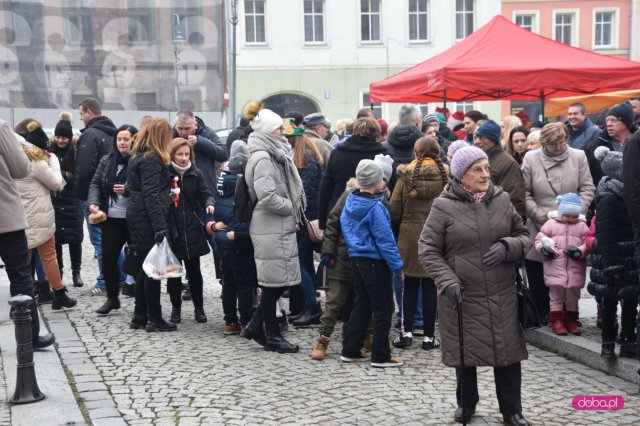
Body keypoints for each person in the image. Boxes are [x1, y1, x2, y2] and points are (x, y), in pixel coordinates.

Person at [418, 146, 531, 426]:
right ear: (460, 176)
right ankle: (466, 405)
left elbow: (524, 236)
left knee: (507, 354)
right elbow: (428, 249)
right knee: (465, 354)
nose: (484, 174)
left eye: (486, 168)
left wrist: (508, 247)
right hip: (463, 294)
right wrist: (447, 280)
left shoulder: (502, 199)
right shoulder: (443, 206)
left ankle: (512, 410)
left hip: (502, 291)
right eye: (477, 169)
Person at [240, 101, 303, 353]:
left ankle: (257, 326)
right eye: (278, 129)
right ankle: (272, 334)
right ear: (267, 132)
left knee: (278, 281)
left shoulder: (274, 154)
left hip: (275, 225)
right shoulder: (264, 157)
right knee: (273, 284)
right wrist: (291, 207)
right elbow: (267, 196)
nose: (283, 133)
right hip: (269, 224)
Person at [521, 122, 595, 323]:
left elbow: (588, 187)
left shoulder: (578, 156)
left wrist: (575, 213)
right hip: (540, 226)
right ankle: (541, 316)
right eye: (553, 144)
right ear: (544, 143)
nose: (558, 147)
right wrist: (537, 214)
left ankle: (566, 316)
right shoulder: (531, 158)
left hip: (571, 228)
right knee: (538, 279)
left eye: (561, 142)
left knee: (568, 279)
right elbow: (524, 192)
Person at [340, 159, 404, 368]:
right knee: (384, 307)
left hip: (356, 258)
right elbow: (385, 241)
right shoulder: (375, 208)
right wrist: (397, 266)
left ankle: (350, 349)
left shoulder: (350, 201)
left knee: (362, 304)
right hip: (375, 262)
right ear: (378, 182)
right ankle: (380, 355)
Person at [0, 119, 55, 349]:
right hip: (5, 217)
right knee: (20, 275)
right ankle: (30, 337)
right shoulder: (1, 127)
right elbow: (21, 169)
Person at [390, 136, 448, 351]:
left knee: (409, 286)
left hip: (409, 236)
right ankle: (429, 337)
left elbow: (394, 210)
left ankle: (405, 334)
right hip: (437, 236)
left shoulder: (405, 177)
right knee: (431, 286)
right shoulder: (445, 179)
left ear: (416, 153)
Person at [15, 120, 77, 312]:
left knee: (22, 261)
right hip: (39, 216)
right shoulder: (37, 162)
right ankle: (58, 294)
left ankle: (20, 298)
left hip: (21, 216)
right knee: (49, 256)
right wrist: (54, 161)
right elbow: (57, 183)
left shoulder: (16, 158)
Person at [126, 117, 176, 332]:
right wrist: (159, 227)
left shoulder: (138, 156)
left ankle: (140, 315)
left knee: (143, 269)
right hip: (147, 218)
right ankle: (154, 317)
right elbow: (151, 195)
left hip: (137, 215)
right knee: (152, 270)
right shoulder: (152, 158)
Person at [589, 147, 638, 359]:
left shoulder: (629, 192)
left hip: (630, 257)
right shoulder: (609, 196)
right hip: (612, 257)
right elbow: (605, 232)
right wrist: (612, 264)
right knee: (609, 302)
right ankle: (608, 342)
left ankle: (627, 340)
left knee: (630, 300)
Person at [173, 109, 229, 293]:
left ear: (195, 125)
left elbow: (223, 153)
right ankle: (191, 282)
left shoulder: (207, 133)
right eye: (180, 128)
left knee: (217, 241)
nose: (183, 132)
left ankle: (224, 280)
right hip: (182, 198)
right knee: (187, 242)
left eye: (187, 128)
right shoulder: (172, 135)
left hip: (207, 195)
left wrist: (200, 142)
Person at [88, 125, 138, 315]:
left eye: (126, 139)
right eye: (119, 139)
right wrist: (93, 203)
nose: (122, 142)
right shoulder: (107, 160)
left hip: (133, 219)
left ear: (134, 140)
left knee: (137, 260)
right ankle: (112, 298)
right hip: (111, 218)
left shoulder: (139, 161)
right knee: (108, 257)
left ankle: (141, 300)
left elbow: (144, 189)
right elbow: (95, 184)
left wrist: (127, 190)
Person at [165, 138, 215, 324]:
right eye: (179, 154)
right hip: (173, 228)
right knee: (174, 273)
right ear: (172, 155)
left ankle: (199, 308)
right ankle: (175, 309)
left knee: (194, 272)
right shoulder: (165, 173)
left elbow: (206, 193)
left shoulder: (196, 172)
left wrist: (209, 204)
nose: (184, 158)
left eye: (186, 154)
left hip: (192, 227)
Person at [75, 97, 118, 294]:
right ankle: (119, 277)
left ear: (89, 112)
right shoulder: (113, 132)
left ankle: (105, 280)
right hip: (110, 193)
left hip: (92, 196)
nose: (81, 118)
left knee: (99, 240)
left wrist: (81, 193)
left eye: (81, 113)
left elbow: (84, 169)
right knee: (112, 238)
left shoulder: (90, 134)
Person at [214, 140, 256, 335]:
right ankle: (247, 321)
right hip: (238, 238)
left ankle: (230, 322)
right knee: (245, 284)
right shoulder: (242, 182)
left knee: (228, 283)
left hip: (223, 239)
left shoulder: (222, 180)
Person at [285, 122, 325, 327]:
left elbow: (305, 193)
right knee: (306, 262)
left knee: (299, 265)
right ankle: (308, 307)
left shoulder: (305, 157)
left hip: (305, 219)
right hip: (308, 217)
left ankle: (312, 306)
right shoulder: (307, 155)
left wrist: (296, 218)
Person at [535, 193, 590, 335]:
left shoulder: (582, 226)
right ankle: (557, 321)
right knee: (556, 297)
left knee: (573, 297)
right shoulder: (551, 224)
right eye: (568, 215)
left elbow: (588, 243)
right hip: (555, 267)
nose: (571, 219)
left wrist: (579, 251)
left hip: (574, 268)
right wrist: (544, 250)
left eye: (574, 216)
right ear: (561, 212)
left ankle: (571, 320)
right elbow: (539, 240)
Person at [318, 117, 388, 230]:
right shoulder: (383, 156)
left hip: (339, 211)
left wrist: (322, 223)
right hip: (373, 214)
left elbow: (325, 188)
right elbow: (391, 186)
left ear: (354, 132)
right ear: (377, 135)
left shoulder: (337, 153)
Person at [50, 112, 85, 287]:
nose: (60, 140)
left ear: (69, 137)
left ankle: (76, 273)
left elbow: (77, 176)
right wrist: (65, 175)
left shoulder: (76, 152)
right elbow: (51, 176)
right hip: (55, 201)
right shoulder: (50, 152)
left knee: (75, 238)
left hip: (72, 201)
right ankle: (60, 272)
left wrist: (61, 177)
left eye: (64, 137)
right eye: (58, 137)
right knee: (56, 240)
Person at [473, 120, 526, 217]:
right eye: (476, 137)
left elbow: (515, 200)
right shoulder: (479, 159)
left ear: (492, 139)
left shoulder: (508, 163)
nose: (477, 141)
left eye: (481, 137)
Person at [585, 102, 634, 188]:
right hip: (606, 197)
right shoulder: (595, 145)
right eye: (607, 120)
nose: (608, 124)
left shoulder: (636, 143)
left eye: (613, 120)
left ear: (626, 122)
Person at [383, 104, 423, 190]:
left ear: (399, 121)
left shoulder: (383, 147)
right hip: (422, 197)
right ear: (417, 121)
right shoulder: (430, 144)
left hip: (391, 199)